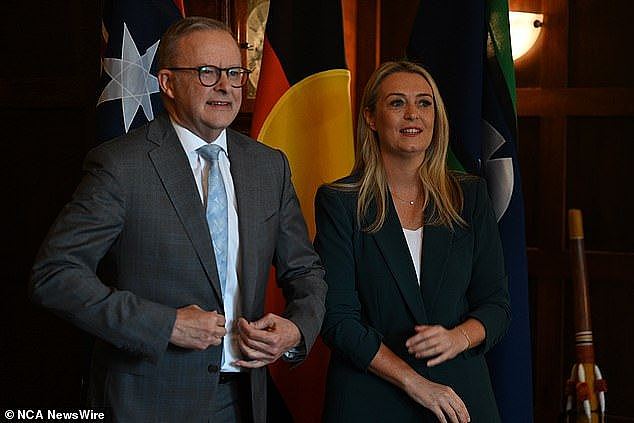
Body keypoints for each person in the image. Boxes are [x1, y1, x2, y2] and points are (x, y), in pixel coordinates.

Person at [30, 17, 326, 423]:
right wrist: (165, 324)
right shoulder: (121, 166)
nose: (225, 86)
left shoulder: (268, 166)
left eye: (234, 72)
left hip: (244, 398)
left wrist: (296, 330)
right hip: (147, 402)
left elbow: (307, 272)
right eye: (207, 72)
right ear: (167, 83)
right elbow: (55, 275)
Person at [314, 61, 511, 423]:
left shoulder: (469, 196)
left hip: (460, 399)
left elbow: (496, 305)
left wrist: (457, 339)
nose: (412, 114)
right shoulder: (340, 202)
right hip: (371, 397)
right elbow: (338, 321)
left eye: (424, 103)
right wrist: (413, 381)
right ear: (372, 117)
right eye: (396, 103)